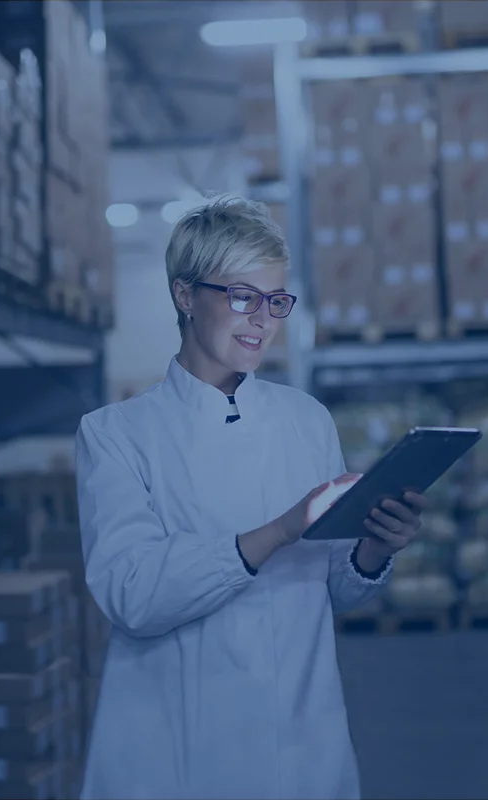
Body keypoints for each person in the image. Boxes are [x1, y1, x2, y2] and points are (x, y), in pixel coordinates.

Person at [76, 196, 427, 800]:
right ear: (185, 296)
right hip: (181, 753)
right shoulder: (116, 435)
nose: (261, 319)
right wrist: (278, 532)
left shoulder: (306, 420)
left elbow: (335, 591)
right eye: (241, 296)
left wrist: (372, 548)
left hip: (303, 742)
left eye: (275, 301)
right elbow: (131, 593)